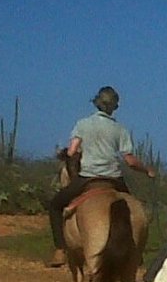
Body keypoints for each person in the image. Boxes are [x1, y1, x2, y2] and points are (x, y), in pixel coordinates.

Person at [47, 86, 156, 267]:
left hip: (87, 178)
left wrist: (65, 154)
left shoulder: (82, 124)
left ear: (97, 103)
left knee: (55, 206)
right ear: (114, 107)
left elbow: (72, 151)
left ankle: (60, 250)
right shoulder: (120, 129)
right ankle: (136, 254)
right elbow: (130, 161)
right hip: (114, 179)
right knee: (134, 211)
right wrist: (147, 170)